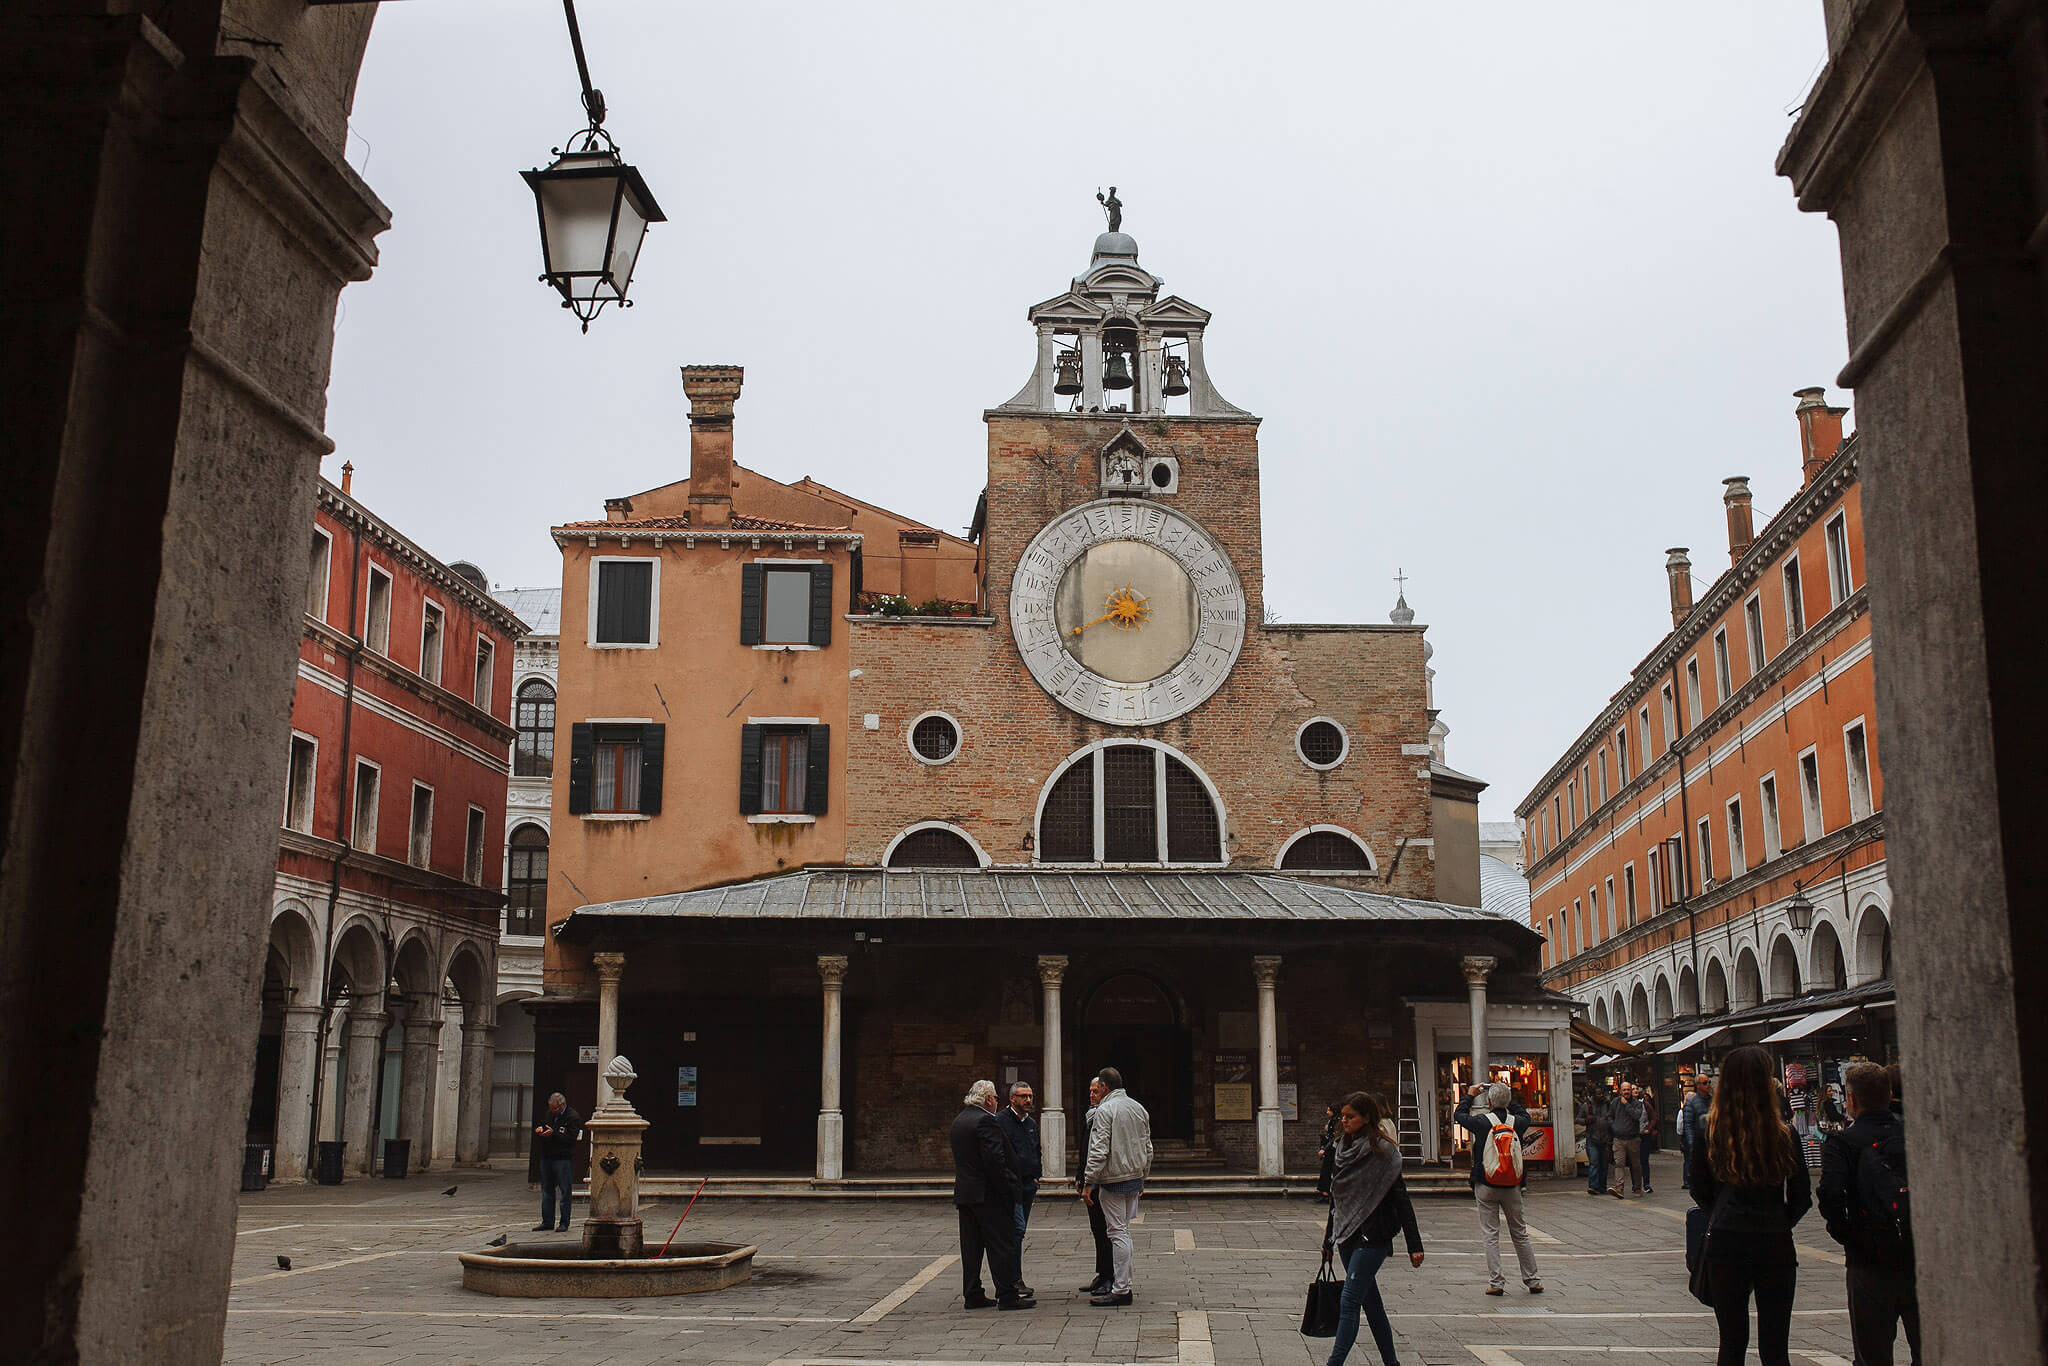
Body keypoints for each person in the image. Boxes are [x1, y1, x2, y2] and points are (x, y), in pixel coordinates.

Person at [1691, 1044, 1813, 1366]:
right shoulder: (1784, 1133)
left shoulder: (1710, 1131)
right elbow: (1802, 1196)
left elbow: (1698, 1187)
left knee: (1731, 1343)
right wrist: (1779, 1220)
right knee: (1776, 1347)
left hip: (1726, 1241)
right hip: (1773, 1241)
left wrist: (1720, 1213)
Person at [1819, 1063, 1920, 1364]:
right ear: (1888, 1095)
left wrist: (1849, 1237)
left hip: (1869, 1259)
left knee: (1872, 1355)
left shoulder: (1843, 1143)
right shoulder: (1913, 1134)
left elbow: (1830, 1196)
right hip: (1917, 1255)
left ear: (1851, 1099)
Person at [1319, 1090, 1423, 1366]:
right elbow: (1337, 1198)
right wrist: (1328, 1241)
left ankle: (1334, 1363)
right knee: (1372, 1306)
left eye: (1350, 1116)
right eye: (1343, 1116)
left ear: (1366, 1118)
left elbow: (1401, 1198)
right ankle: (1392, 1363)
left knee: (1350, 1301)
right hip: (1346, 1235)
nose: (1344, 1121)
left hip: (1373, 1235)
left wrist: (1414, 1245)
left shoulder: (1383, 1152)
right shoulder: (1340, 1149)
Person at [1454, 1082, 1544, 1296]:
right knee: (1520, 1233)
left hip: (1486, 1182)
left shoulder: (1482, 1122)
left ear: (1489, 1102)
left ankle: (1496, 1282)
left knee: (1490, 1234)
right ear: (1508, 1101)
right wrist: (1508, 1099)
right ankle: (1533, 1280)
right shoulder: (1518, 1122)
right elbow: (1524, 1114)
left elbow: (1459, 1115)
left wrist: (1469, 1095)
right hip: (1512, 1184)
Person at [950, 1079, 1032, 1310]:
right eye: (995, 1098)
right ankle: (1008, 1295)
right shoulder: (985, 1120)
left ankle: (973, 1293)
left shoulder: (960, 1120)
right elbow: (995, 1160)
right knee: (1001, 1245)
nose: (997, 1102)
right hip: (988, 1195)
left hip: (966, 1194)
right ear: (988, 1099)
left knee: (971, 1247)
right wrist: (1009, 1188)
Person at [1080, 1066, 1152, 1307]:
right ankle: (1124, 1283)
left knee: (1116, 1233)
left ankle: (1121, 1289)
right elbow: (1148, 1147)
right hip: (1133, 1177)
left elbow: (1099, 1149)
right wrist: (1143, 1176)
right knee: (1123, 1232)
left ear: (1103, 1086)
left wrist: (1089, 1181)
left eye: (1097, 1087)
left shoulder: (1105, 1109)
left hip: (1113, 1179)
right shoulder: (1138, 1108)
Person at [1076, 1076, 1115, 1294]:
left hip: (1102, 1181)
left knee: (1107, 1230)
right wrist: (1079, 1176)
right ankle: (1102, 1273)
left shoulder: (1106, 1115)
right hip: (1090, 1179)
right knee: (1097, 1229)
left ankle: (1110, 1276)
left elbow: (1100, 1152)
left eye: (1095, 1091)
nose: (1091, 1095)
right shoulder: (1091, 1115)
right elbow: (1085, 1150)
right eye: (1090, 1091)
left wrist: (1089, 1180)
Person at [994, 1082, 1042, 1249]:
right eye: (1023, 1096)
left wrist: (1036, 1176)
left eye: (1030, 1096)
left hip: (1028, 1184)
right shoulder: (1000, 1121)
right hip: (1011, 1185)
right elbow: (997, 1154)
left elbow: (1036, 1150)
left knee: (1019, 1230)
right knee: (1017, 1229)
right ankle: (1011, 1266)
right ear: (1012, 1098)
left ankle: (1013, 1264)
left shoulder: (1031, 1123)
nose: (1028, 1100)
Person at [532, 1092, 582, 1233]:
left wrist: (554, 1133)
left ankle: (564, 1222)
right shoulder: (549, 1114)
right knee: (547, 1190)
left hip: (562, 1158)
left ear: (562, 1105)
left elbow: (570, 1138)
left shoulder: (572, 1117)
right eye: (551, 1108)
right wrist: (541, 1131)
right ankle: (547, 1221)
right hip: (547, 1156)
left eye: (555, 1108)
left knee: (565, 1190)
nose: (553, 1111)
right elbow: (545, 1127)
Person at [1609, 1082, 1648, 1197]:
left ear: (1631, 1090)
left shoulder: (1637, 1103)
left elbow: (1636, 1116)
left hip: (1633, 1138)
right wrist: (1614, 1127)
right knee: (1619, 1163)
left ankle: (1637, 1187)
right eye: (1624, 1090)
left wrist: (1626, 1104)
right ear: (1620, 1091)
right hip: (1619, 1139)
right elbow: (1609, 1116)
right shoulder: (1615, 1102)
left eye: (1628, 1089)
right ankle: (1619, 1188)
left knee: (1635, 1165)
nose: (1626, 1092)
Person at [1681, 1079, 1714, 1192]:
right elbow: (1688, 1125)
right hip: (1699, 1141)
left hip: (1712, 1140)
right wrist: (1691, 1143)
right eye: (1704, 1083)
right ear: (1698, 1085)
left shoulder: (1713, 1101)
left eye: (1709, 1082)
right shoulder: (1691, 1103)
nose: (1708, 1085)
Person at [1580, 1085, 1613, 1196]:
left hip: (1605, 1139)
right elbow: (1578, 1119)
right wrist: (1586, 1120)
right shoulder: (1587, 1105)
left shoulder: (1608, 1105)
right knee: (1594, 1163)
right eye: (1598, 1093)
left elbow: (1613, 1118)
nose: (1601, 1095)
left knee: (1604, 1164)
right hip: (1592, 1139)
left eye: (1602, 1093)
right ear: (1593, 1094)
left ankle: (1602, 1187)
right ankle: (1593, 1186)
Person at [1316, 1103, 1341, 1201]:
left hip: (1333, 1149)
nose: (1327, 1112)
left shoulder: (1336, 1122)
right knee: (1326, 1170)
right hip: (1331, 1148)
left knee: (1328, 1170)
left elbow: (1334, 1137)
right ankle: (1325, 1191)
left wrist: (1324, 1149)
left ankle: (1327, 1192)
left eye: (1329, 1110)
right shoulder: (1331, 1121)